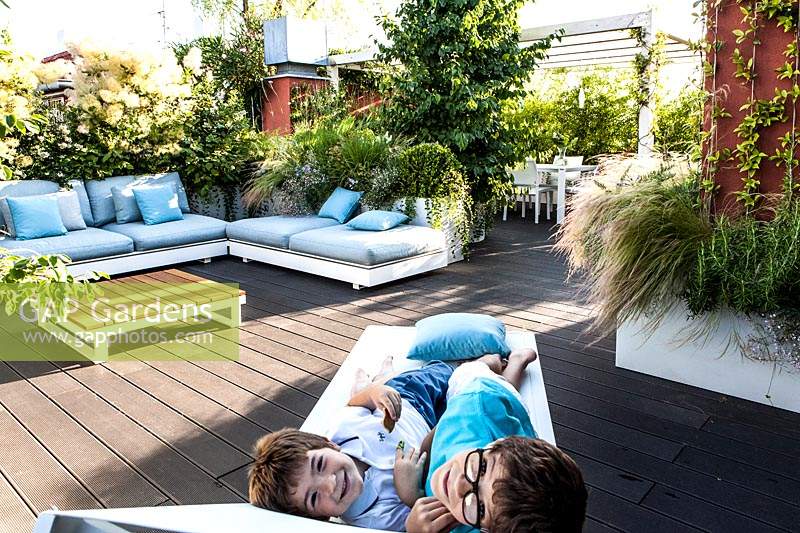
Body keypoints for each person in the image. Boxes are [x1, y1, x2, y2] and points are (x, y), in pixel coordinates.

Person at [248, 359, 455, 531]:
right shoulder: (375, 518)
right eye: (313, 497)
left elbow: (355, 404)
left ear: (329, 445)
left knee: (451, 372)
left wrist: (374, 393)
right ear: (321, 518)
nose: (330, 484)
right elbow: (427, 518)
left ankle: (378, 379)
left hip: (409, 398)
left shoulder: (341, 432)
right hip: (433, 431)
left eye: (319, 464)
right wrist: (412, 496)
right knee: (465, 398)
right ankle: (379, 376)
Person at [406, 349, 587, 533]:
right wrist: (422, 454)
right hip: (488, 393)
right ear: (493, 445)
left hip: (508, 440)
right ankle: (498, 361)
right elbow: (440, 430)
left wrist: (414, 506)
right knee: (468, 372)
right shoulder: (470, 410)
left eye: (482, 508)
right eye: (482, 467)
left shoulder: (503, 522)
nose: (460, 485)